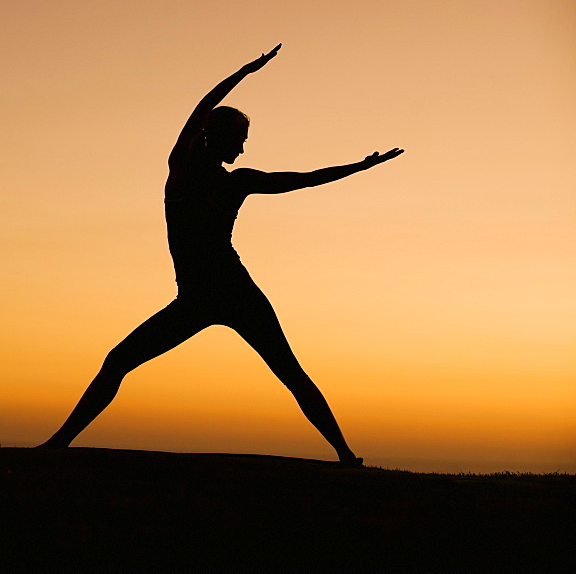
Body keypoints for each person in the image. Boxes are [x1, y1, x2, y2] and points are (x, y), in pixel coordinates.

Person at [37, 44, 402, 465]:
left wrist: (358, 167)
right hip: (195, 298)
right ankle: (58, 444)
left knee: (289, 372)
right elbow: (205, 106)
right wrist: (244, 72)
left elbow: (301, 180)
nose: (243, 150)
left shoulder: (233, 180)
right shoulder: (186, 166)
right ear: (219, 138)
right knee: (119, 361)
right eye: (240, 141)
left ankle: (346, 456)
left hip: (234, 292)